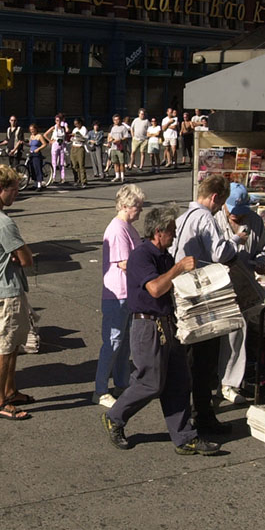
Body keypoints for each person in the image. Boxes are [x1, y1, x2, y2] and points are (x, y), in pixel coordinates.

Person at [101, 205, 218, 456]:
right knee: (150, 382)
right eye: (171, 231)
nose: (174, 236)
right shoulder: (142, 255)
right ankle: (115, 416)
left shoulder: (164, 255)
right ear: (158, 231)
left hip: (168, 323)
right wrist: (177, 269)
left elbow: (170, 287)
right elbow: (154, 288)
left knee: (179, 381)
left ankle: (185, 436)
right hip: (147, 325)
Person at [170, 174, 236, 435]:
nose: (220, 208)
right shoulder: (205, 218)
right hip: (201, 296)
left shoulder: (182, 217)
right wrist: (235, 244)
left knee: (190, 358)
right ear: (215, 197)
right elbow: (220, 253)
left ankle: (191, 412)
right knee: (204, 359)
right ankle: (203, 416)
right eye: (220, 204)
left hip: (182, 294)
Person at [0, 165, 35, 420]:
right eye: (14, 191)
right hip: (4, 294)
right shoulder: (3, 222)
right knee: (3, 349)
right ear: (0, 189)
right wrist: (18, 254)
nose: (16, 196)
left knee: (11, 346)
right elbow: (26, 259)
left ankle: (10, 391)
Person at [214, 182, 265, 405]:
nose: (237, 217)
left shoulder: (255, 221)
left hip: (243, 285)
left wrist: (262, 263)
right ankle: (213, 379)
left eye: (241, 213)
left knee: (238, 332)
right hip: (220, 285)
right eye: (233, 212)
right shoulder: (216, 220)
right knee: (215, 336)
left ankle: (228, 383)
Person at [95, 184, 144, 408]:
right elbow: (126, 263)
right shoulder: (117, 229)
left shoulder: (126, 226)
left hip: (126, 292)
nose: (140, 211)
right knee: (113, 341)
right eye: (137, 207)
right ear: (125, 206)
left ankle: (122, 383)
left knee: (123, 343)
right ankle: (101, 390)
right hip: (118, 293)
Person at [108, 114, 130, 182]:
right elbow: (110, 136)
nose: (116, 121)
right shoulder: (113, 128)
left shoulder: (123, 128)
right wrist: (110, 140)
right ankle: (117, 176)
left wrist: (120, 140)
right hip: (113, 148)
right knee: (115, 163)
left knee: (122, 163)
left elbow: (126, 137)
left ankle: (122, 176)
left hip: (121, 148)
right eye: (114, 120)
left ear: (120, 120)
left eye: (117, 119)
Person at [27, 124, 48, 191]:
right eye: (30, 130)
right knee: (32, 169)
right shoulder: (31, 136)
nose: (32, 131)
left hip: (37, 154)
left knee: (37, 168)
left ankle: (39, 185)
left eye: (33, 129)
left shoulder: (39, 136)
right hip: (31, 154)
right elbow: (30, 145)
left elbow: (44, 144)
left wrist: (38, 149)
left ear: (36, 129)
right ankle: (35, 184)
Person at [69, 118, 88, 188]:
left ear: (80, 123)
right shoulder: (75, 129)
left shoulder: (83, 129)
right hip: (74, 147)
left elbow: (83, 138)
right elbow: (72, 137)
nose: (76, 125)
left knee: (81, 165)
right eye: (75, 124)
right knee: (74, 165)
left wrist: (76, 136)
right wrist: (72, 138)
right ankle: (77, 179)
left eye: (77, 124)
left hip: (80, 147)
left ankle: (83, 181)